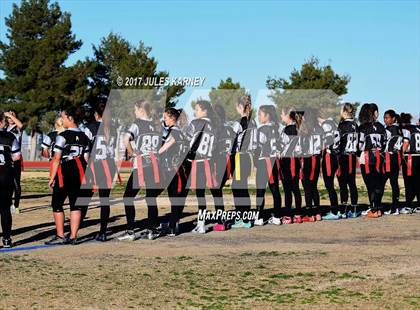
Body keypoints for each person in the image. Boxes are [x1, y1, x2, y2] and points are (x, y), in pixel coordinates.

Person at [45, 107, 90, 245]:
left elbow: (56, 158)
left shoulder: (62, 136)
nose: (62, 120)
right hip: (80, 170)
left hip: (65, 170)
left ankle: (60, 235)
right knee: (75, 204)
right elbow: (87, 158)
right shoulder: (85, 136)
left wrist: (52, 177)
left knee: (57, 203)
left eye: (63, 117)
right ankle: (73, 236)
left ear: (70, 118)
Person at [118, 100, 162, 241]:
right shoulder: (157, 125)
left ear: (140, 109)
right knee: (151, 198)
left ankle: (130, 231)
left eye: (135, 109)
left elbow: (126, 139)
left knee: (128, 197)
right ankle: (151, 230)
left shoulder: (137, 124)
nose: (134, 112)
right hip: (155, 164)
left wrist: (132, 153)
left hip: (142, 164)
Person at [83, 103, 118, 241]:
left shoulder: (90, 127)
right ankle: (103, 232)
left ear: (96, 114)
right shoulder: (113, 128)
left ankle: (75, 228)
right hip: (109, 164)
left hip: (95, 164)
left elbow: (85, 149)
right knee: (105, 199)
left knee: (84, 197)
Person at [184, 100, 219, 234]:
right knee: (205, 193)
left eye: (197, 109)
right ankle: (202, 223)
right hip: (209, 162)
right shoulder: (214, 126)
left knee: (200, 194)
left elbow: (186, 138)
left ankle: (201, 224)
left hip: (198, 162)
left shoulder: (195, 123)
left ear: (204, 110)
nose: (195, 112)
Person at [158, 108, 188, 236]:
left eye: (165, 118)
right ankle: (173, 223)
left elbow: (165, 147)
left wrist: (156, 152)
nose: (164, 120)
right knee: (174, 198)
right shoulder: (177, 131)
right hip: (174, 169)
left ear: (172, 118)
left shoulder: (175, 131)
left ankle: (172, 226)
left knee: (175, 198)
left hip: (175, 170)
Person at [231, 95, 257, 229]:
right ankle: (245, 218)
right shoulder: (253, 122)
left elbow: (231, 140)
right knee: (242, 187)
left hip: (240, 157)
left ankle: (243, 218)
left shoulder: (240, 122)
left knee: (237, 187)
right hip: (248, 157)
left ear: (240, 107)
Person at [253, 105, 282, 226]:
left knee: (260, 190)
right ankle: (277, 217)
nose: (258, 116)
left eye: (260, 114)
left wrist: (255, 163)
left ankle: (259, 217)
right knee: (275, 189)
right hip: (274, 161)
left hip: (264, 161)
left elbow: (257, 148)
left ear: (267, 115)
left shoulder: (262, 129)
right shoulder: (277, 128)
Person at [358, 103, 386, 218]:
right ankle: (377, 208)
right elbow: (384, 144)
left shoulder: (363, 127)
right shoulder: (381, 126)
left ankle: (373, 209)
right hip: (380, 158)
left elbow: (360, 145)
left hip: (367, 158)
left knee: (370, 185)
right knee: (378, 184)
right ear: (374, 113)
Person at [211, 104, 236, 231]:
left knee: (216, 190)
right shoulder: (230, 129)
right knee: (218, 190)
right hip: (230, 161)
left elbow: (213, 147)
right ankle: (224, 218)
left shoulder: (216, 129)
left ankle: (221, 220)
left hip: (219, 161)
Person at [0, 112, 21, 248]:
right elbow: (17, 156)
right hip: (4, 174)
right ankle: (7, 239)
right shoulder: (9, 136)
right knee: (5, 208)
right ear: (1, 123)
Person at [335, 103, 359, 218]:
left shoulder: (341, 125)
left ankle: (343, 210)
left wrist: (334, 152)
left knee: (343, 183)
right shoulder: (356, 125)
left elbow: (336, 143)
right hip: (353, 157)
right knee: (352, 183)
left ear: (345, 112)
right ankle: (354, 209)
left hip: (343, 157)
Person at [279, 108, 303, 224]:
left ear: (288, 116)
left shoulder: (287, 130)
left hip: (287, 161)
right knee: (295, 188)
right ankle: (298, 215)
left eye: (282, 114)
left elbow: (281, 146)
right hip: (296, 160)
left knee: (287, 189)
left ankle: (288, 215)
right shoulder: (298, 128)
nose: (281, 116)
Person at [299, 108, 323, 222]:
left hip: (307, 158)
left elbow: (301, 147)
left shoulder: (304, 129)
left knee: (307, 186)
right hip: (317, 159)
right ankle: (317, 213)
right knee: (314, 187)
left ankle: (309, 214)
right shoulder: (319, 128)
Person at [319, 113, 341, 220]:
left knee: (329, 184)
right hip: (336, 156)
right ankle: (337, 209)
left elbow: (328, 141)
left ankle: (334, 211)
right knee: (331, 184)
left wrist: (321, 152)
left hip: (329, 156)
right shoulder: (334, 123)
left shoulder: (326, 124)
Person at [382, 110, 403, 215]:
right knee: (394, 182)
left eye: (387, 117)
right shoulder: (399, 129)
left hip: (389, 157)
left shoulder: (389, 129)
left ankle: (376, 206)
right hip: (396, 157)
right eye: (384, 118)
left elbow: (384, 144)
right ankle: (395, 207)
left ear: (393, 118)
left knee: (381, 182)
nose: (385, 120)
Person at [4, 110, 23, 214]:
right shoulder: (5, 129)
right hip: (6, 159)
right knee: (6, 183)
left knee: (16, 183)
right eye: (8, 117)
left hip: (15, 158)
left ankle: (16, 206)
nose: (10, 118)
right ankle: (8, 203)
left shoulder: (17, 128)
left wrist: (10, 115)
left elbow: (21, 125)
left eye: (12, 116)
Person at [400, 113, 420, 213]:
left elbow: (406, 143)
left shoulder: (405, 129)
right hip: (419, 157)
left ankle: (408, 205)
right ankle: (418, 205)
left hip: (410, 158)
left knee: (408, 182)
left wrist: (400, 155)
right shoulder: (417, 128)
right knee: (418, 182)